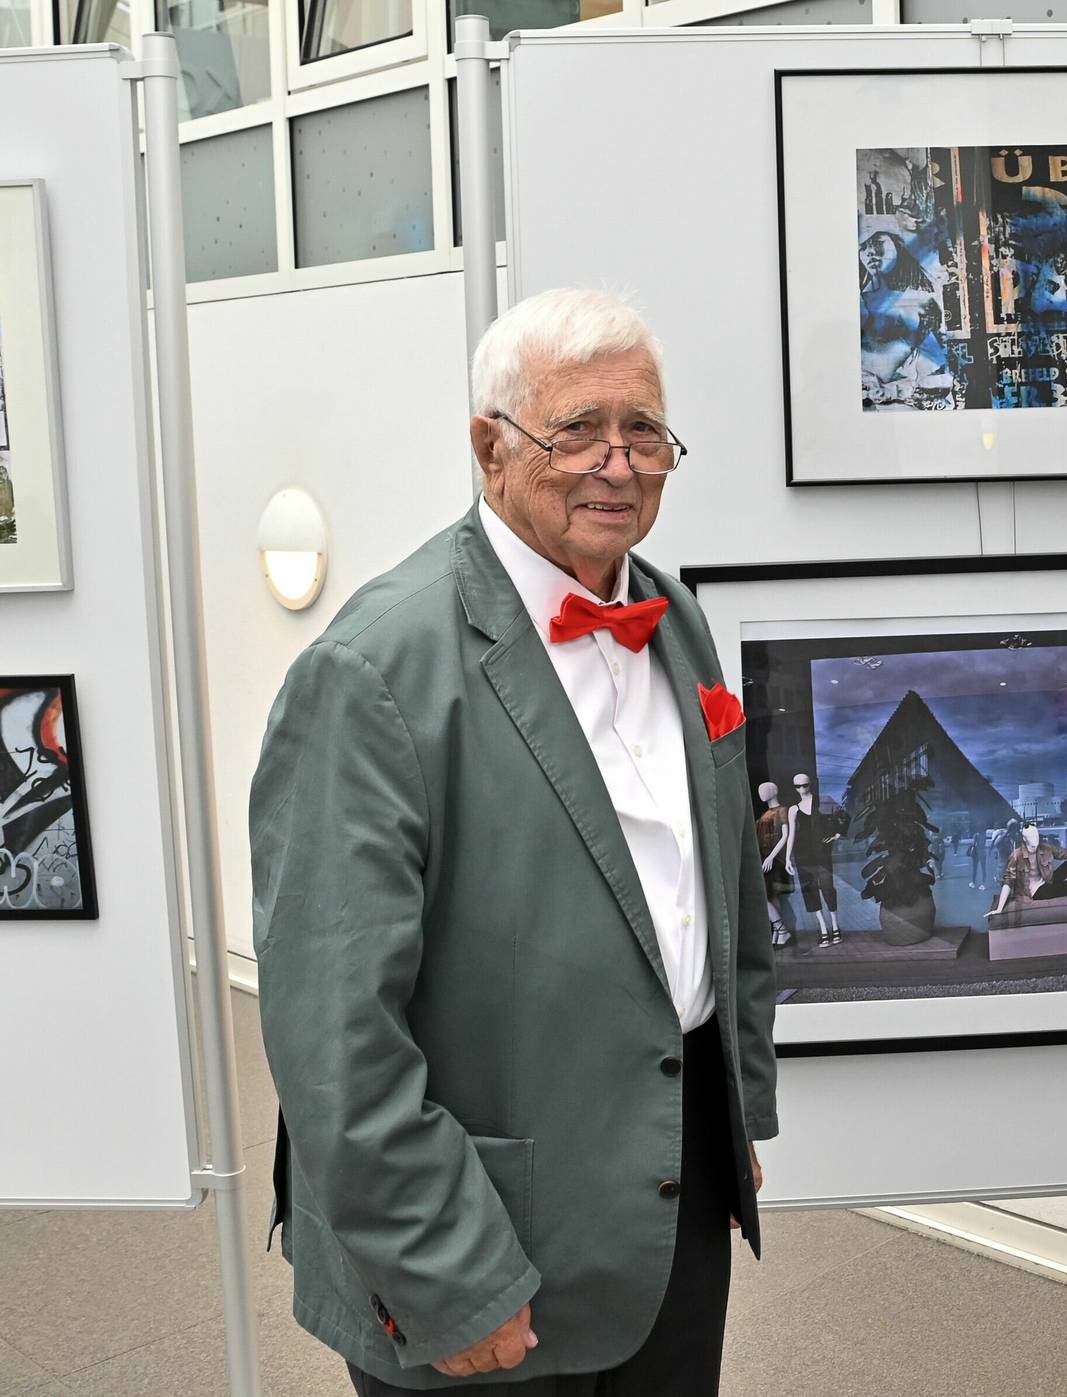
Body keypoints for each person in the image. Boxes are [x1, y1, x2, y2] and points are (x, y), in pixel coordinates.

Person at [251, 287, 778, 1395]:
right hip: (483, 1237)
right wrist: (447, 1275)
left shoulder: (676, 618)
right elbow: (337, 1038)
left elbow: (724, 892)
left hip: (670, 1198)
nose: (619, 463)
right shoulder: (371, 673)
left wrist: (737, 1114)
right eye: (577, 428)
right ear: (490, 447)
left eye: (644, 430)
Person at [987, 820, 1067, 917]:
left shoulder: (1045, 848)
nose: (1035, 842)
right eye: (1031, 839)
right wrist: (999, 909)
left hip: (1046, 881)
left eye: (1036, 837)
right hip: (1035, 892)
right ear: (1024, 839)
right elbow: (1009, 882)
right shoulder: (1017, 855)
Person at [783, 772, 844, 948]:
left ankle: (835, 925)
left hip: (822, 852)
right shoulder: (793, 809)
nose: (802, 789)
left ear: (810, 784)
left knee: (827, 887)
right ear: (794, 788)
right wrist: (788, 858)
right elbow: (791, 835)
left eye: (805, 785)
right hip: (803, 855)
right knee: (809, 890)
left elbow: (842, 815)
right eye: (798, 786)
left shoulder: (824, 800)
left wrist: (837, 835)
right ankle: (823, 928)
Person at [755, 779, 795, 948]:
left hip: (773, 859)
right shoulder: (765, 814)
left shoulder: (781, 811)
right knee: (770, 896)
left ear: (773, 791)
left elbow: (784, 836)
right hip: (765, 858)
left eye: (764, 790)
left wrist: (771, 857)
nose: (760, 793)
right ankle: (779, 931)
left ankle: (781, 929)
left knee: (765, 896)